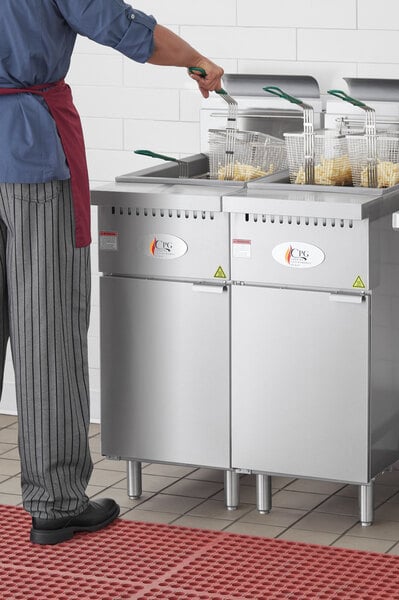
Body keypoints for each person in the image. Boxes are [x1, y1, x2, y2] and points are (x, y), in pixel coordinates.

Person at [0, 0, 223, 545]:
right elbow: (122, 29)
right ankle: (54, 502)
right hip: (29, 156)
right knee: (45, 328)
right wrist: (197, 61)